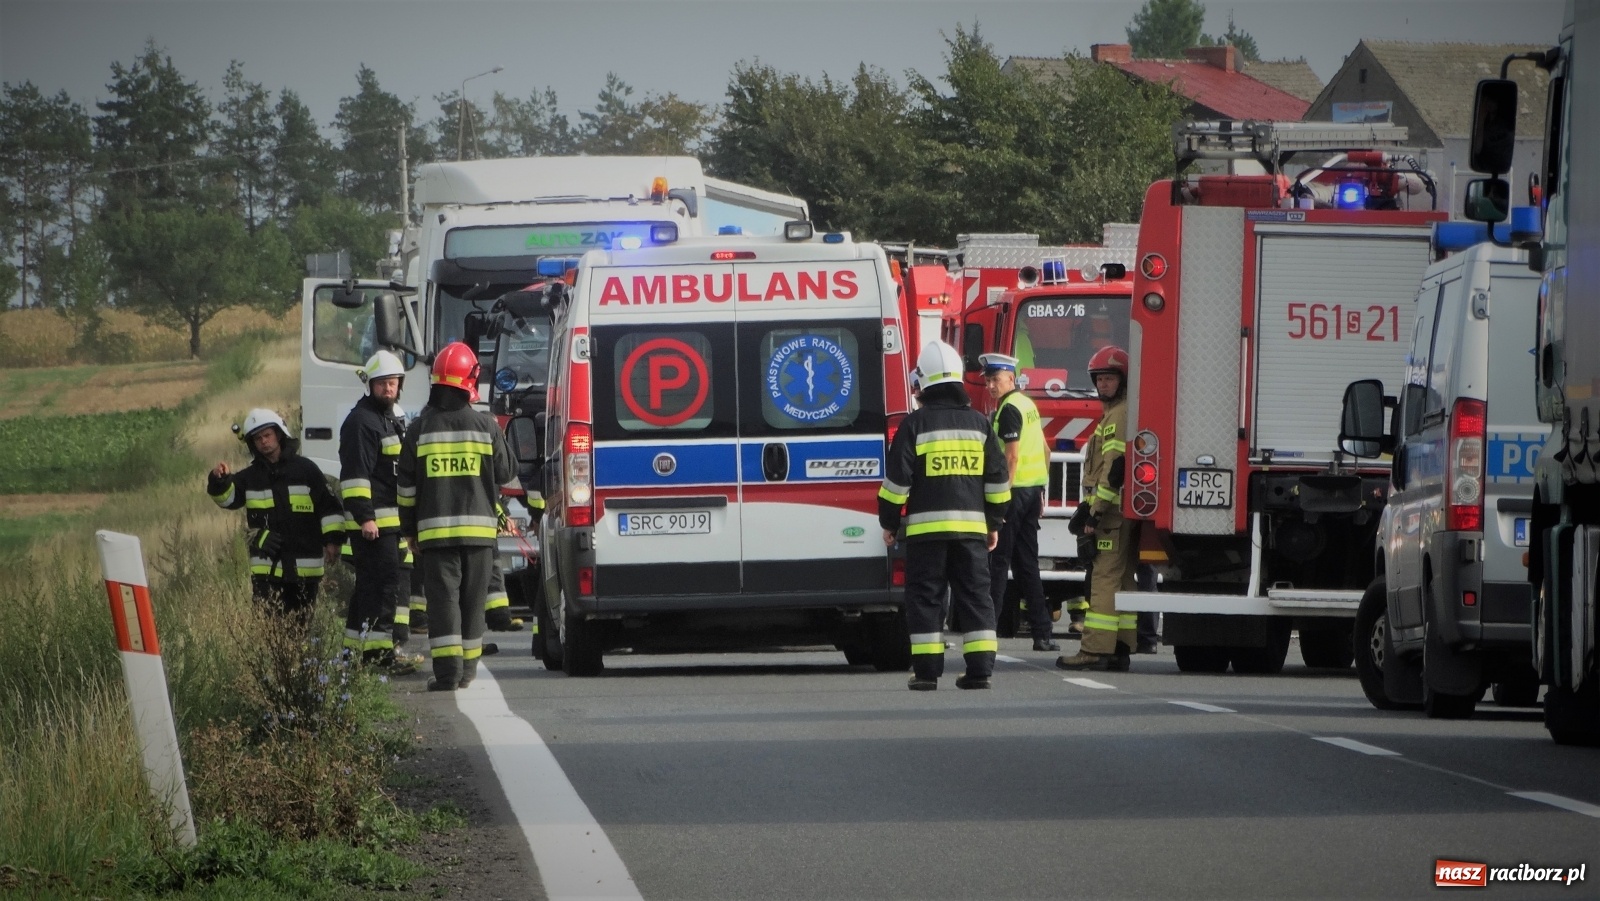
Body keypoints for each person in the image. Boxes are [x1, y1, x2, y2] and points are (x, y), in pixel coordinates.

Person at [879, 340, 1011, 691]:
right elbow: (998, 481)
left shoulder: (914, 425)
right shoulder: (981, 425)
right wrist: (994, 523)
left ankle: (925, 674)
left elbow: (896, 483)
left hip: (926, 534)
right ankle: (980, 671)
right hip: (971, 533)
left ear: (923, 382)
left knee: (925, 598)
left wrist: (889, 523)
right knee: (975, 597)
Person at [398, 342, 516, 692]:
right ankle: (467, 672)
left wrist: (409, 531)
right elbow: (506, 472)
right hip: (480, 535)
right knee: (473, 601)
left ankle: (447, 674)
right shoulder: (485, 426)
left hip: (435, 536)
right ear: (470, 381)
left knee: (443, 602)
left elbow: (406, 488)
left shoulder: (419, 429)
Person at [208, 408, 344, 630]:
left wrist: (333, 541)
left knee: (301, 632)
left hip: (304, 571)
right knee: (269, 634)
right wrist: (218, 481)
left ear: (279, 435)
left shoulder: (306, 470)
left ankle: (300, 665)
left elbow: (329, 506)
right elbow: (227, 500)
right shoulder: (249, 478)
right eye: (258, 438)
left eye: (267, 435)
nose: (263, 442)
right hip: (267, 574)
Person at [338, 350, 421, 674]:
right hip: (374, 525)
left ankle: (352, 653)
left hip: (388, 523)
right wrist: (365, 518)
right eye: (382, 384)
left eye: (393, 383)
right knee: (383, 588)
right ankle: (378, 658)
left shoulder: (386, 419)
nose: (388, 389)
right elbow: (357, 476)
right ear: (370, 385)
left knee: (368, 590)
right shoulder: (362, 422)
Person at [1058, 345, 1138, 671]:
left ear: (1123, 380)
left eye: (1109, 378)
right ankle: (1120, 646)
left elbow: (1113, 469)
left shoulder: (1118, 416)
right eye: (1100, 379)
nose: (1103, 385)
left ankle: (1093, 650)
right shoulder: (1117, 413)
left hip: (1111, 514)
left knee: (1103, 579)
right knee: (1122, 579)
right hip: (1117, 510)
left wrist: (1095, 512)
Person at [979, 352, 1057, 652]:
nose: (990, 386)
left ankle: (988, 633)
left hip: (1013, 495)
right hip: (1031, 492)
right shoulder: (1028, 405)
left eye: (996, 380)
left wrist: (1002, 496)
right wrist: (1039, 489)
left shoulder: (1009, 409)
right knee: (1027, 565)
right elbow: (1046, 452)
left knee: (998, 563)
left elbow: (1011, 456)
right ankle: (1043, 633)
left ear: (1011, 378)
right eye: (987, 381)